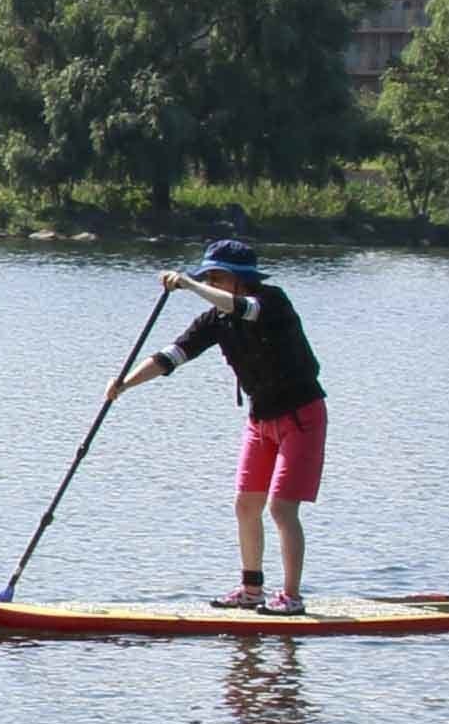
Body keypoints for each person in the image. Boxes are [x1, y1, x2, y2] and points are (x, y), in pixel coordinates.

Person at [110, 235, 324, 613]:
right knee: (246, 504)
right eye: (207, 278)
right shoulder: (216, 320)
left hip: (301, 417)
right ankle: (252, 591)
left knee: (281, 508)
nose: (211, 285)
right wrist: (124, 385)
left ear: (242, 279)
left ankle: (291, 598)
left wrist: (191, 285)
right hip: (261, 420)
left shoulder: (271, 301)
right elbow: (171, 356)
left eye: (216, 278)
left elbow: (245, 309)